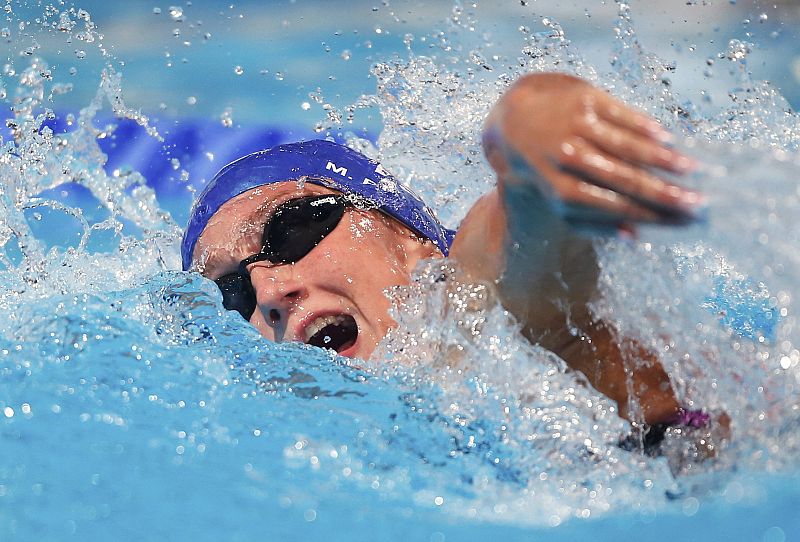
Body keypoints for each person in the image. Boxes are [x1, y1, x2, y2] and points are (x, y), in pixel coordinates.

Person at [182, 73, 713, 441]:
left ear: (410, 237)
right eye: (231, 293)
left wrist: (537, 125)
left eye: (293, 228)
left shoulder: (474, 312)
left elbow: (519, 230)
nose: (270, 292)